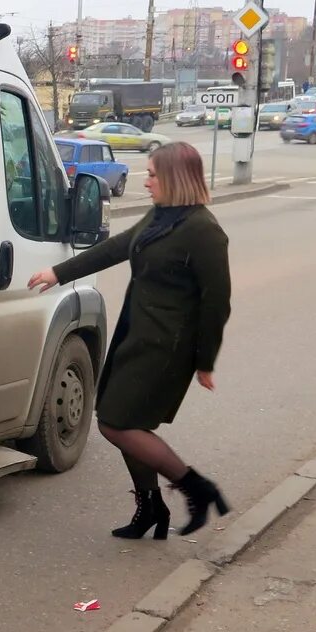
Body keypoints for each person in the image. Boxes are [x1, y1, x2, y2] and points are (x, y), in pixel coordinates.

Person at [28, 142, 231, 539]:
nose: (147, 181)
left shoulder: (204, 231)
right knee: (125, 421)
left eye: (153, 174)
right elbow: (117, 248)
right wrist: (58, 271)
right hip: (135, 337)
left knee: (118, 424)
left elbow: (217, 304)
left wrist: (205, 362)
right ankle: (151, 507)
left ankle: (195, 488)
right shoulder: (161, 217)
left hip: (167, 349)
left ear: (174, 177)